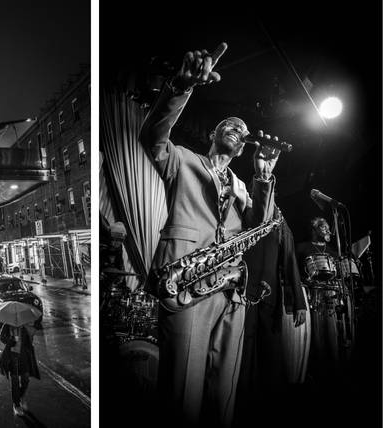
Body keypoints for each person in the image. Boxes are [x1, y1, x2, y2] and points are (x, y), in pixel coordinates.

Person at [140, 42, 279, 427]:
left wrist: (263, 175)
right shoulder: (183, 159)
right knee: (182, 389)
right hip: (186, 282)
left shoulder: (242, 186)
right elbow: (152, 135)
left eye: (245, 131)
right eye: (232, 125)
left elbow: (259, 226)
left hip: (230, 288)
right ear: (216, 133)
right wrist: (181, 87)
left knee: (225, 393)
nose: (239, 130)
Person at [236, 204, 308, 425]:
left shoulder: (279, 219)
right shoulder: (244, 212)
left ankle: (271, 413)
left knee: (271, 357)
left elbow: (289, 260)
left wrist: (299, 302)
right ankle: (240, 410)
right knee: (243, 357)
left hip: (270, 296)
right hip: (243, 296)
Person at [296, 217, 342, 381]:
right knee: (315, 337)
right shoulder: (302, 248)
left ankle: (334, 372)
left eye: (328, 227)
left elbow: (339, 275)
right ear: (314, 229)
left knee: (332, 335)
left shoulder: (334, 253)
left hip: (330, 296)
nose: (327, 229)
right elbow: (295, 272)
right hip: (312, 294)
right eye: (323, 226)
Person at [0, 322, 40, 416]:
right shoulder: (7, 324)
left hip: (24, 356)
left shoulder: (25, 325)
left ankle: (21, 396)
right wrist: (11, 340)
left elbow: (31, 336)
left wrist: (30, 333)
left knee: (25, 379)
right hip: (13, 356)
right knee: (15, 380)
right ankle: (16, 404)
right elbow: (2, 337)